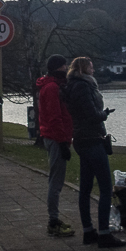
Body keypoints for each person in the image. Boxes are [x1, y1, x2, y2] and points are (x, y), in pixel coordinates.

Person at [62, 57, 125, 248]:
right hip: (91, 140)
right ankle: (105, 234)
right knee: (105, 187)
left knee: (86, 186)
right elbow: (90, 115)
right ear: (83, 69)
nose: (94, 69)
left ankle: (89, 231)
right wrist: (104, 115)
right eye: (91, 66)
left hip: (81, 139)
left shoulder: (72, 86)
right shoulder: (83, 87)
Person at [37, 54, 74, 237]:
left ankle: (54, 219)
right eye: (65, 66)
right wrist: (63, 142)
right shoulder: (52, 88)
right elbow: (55, 117)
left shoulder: (53, 86)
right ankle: (53, 220)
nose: (67, 69)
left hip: (55, 136)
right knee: (56, 180)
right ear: (59, 67)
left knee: (56, 179)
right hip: (56, 138)